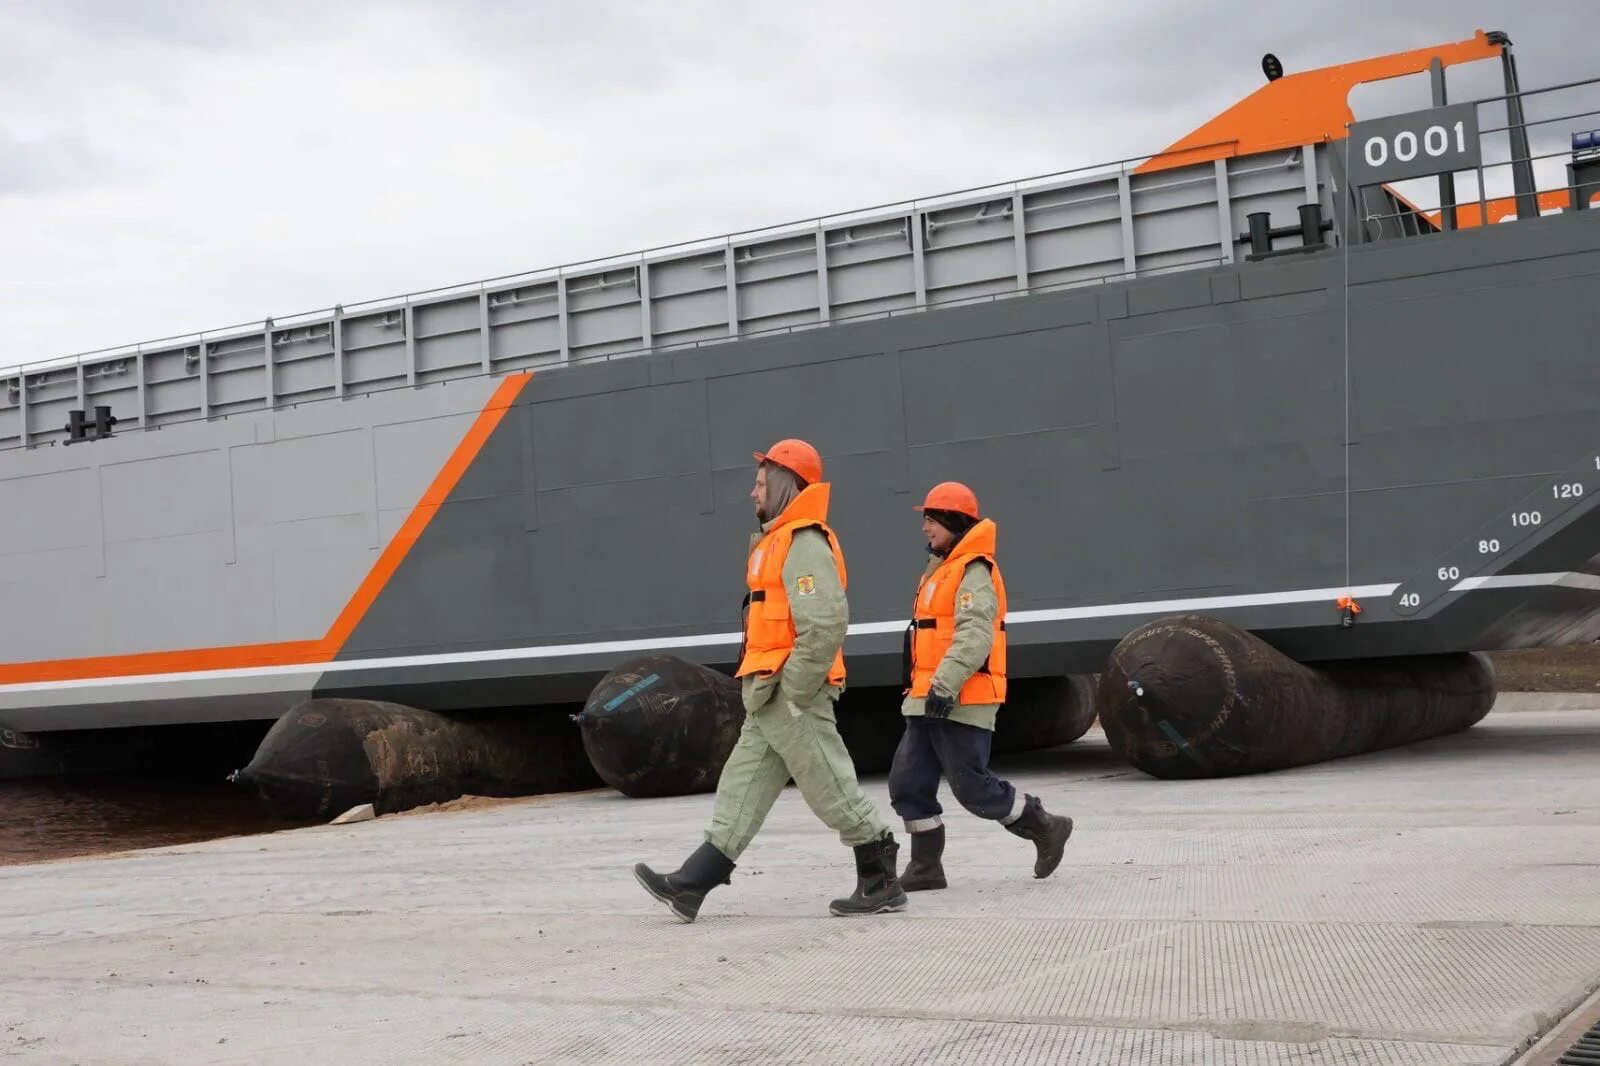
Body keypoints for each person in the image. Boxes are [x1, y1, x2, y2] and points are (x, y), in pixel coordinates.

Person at [633, 439, 906, 921]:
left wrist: (795, 688)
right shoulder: (779, 540)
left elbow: (825, 623)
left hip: (792, 692)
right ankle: (693, 883)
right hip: (768, 692)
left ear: (784, 485)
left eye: (760, 483)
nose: (752, 492)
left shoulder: (805, 542)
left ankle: (880, 878)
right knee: (742, 785)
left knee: (828, 785)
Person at [890, 481, 1074, 892]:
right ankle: (926, 867)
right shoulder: (940, 569)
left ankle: (1045, 825)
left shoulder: (974, 571)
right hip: (926, 698)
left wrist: (945, 684)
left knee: (972, 786)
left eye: (932, 520)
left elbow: (975, 635)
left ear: (954, 521)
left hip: (960, 697)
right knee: (907, 782)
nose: (925, 528)